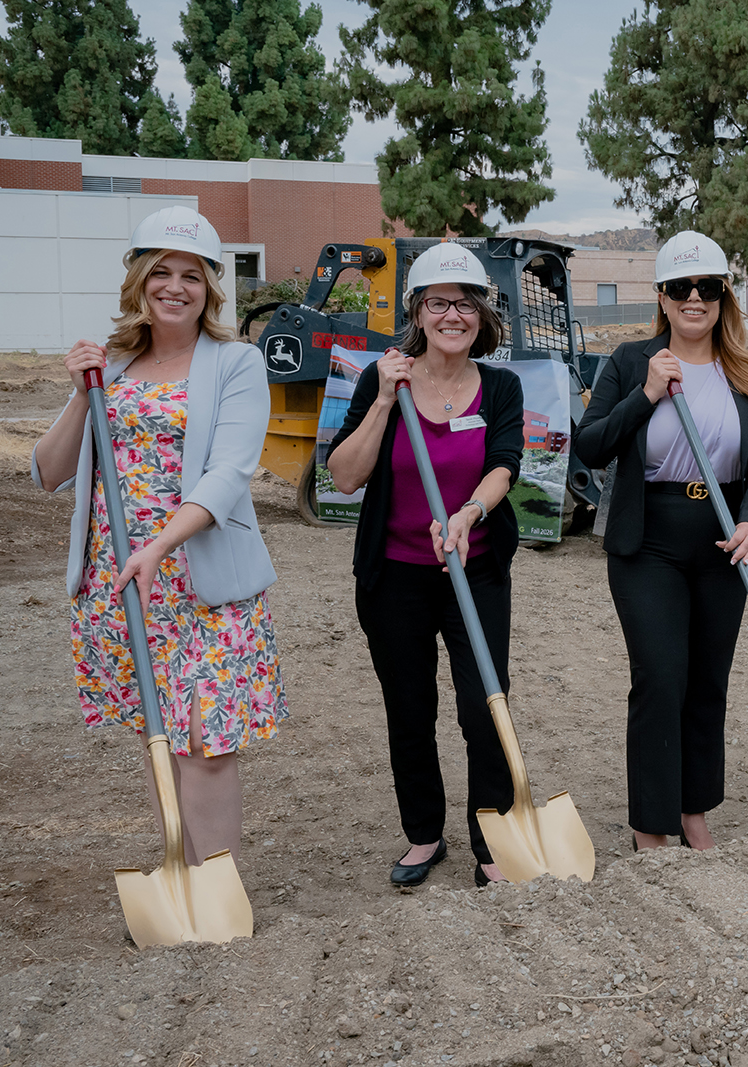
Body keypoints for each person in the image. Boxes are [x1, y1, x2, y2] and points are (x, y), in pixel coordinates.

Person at [32, 205, 286, 869]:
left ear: (210, 288)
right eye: (161, 273)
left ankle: (217, 885)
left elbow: (229, 473)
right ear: (140, 282)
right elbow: (49, 472)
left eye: (192, 275)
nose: (175, 286)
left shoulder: (236, 362)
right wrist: (82, 394)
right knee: (158, 732)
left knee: (206, 738)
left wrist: (158, 545)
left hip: (196, 580)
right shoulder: (110, 367)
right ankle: (181, 869)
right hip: (120, 582)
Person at [576, 230, 748, 851]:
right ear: (662, 298)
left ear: (724, 297)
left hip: (725, 538)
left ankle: (694, 810)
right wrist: (644, 394)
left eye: (708, 288)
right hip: (651, 542)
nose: (695, 299)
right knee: (661, 676)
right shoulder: (630, 361)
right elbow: (590, 446)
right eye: (681, 288)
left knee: (707, 679)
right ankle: (651, 823)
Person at [326, 242, 525, 887]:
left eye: (466, 305)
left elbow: (505, 463)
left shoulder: (500, 385)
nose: (453, 316)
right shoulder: (383, 379)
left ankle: (491, 836)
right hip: (396, 575)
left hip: (476, 569)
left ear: (481, 316)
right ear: (417, 309)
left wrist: (468, 515)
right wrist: (385, 400)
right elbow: (344, 476)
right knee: (409, 708)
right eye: (439, 303)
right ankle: (423, 835)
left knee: (482, 706)